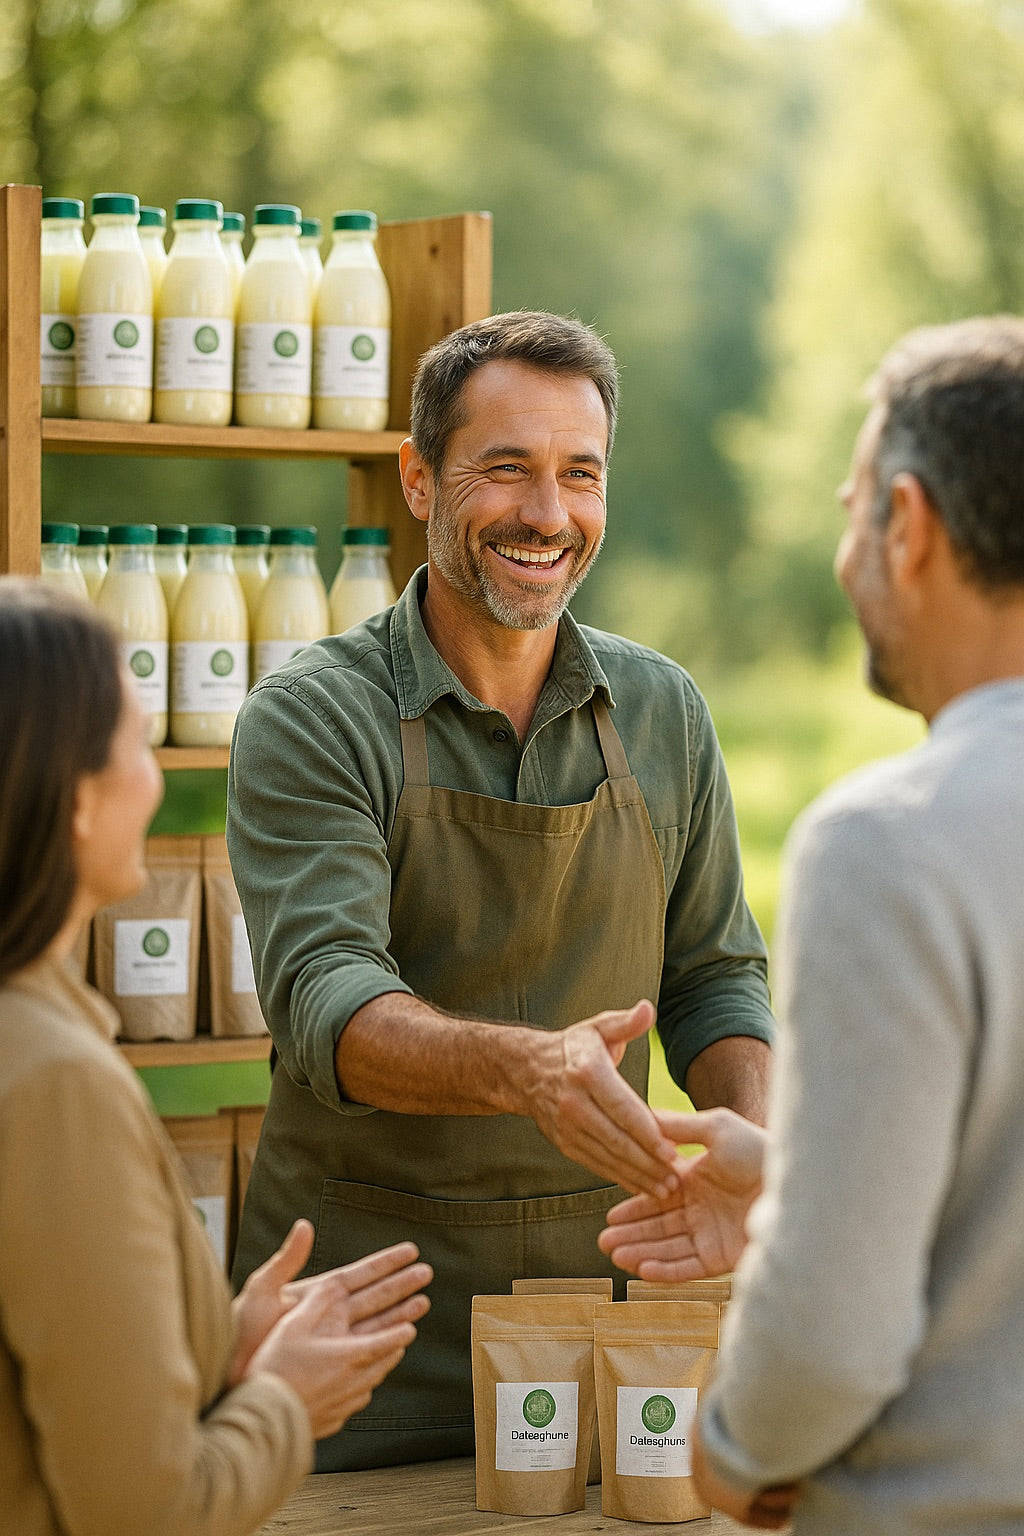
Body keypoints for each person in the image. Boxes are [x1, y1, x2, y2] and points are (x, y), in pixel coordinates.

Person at [227, 309, 775, 1471]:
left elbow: (716, 978)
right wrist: (530, 1070)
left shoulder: (663, 709)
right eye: (506, 471)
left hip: (601, 1336)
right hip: (360, 1340)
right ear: (419, 482)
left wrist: (756, 1156)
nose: (548, 514)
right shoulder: (315, 714)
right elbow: (326, 999)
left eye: (580, 475)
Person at [600, 315, 1024, 1533]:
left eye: (850, 512)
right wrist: (802, 1175)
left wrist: (733, 1447)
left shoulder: (890, 842)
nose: (844, 560)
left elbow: (835, 1331)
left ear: (909, 524)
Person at [0, 578, 432, 1536]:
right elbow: (141, 1510)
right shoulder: (53, 1081)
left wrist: (216, 1345)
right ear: (76, 799)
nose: (154, 772)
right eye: (131, 736)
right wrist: (284, 1398)